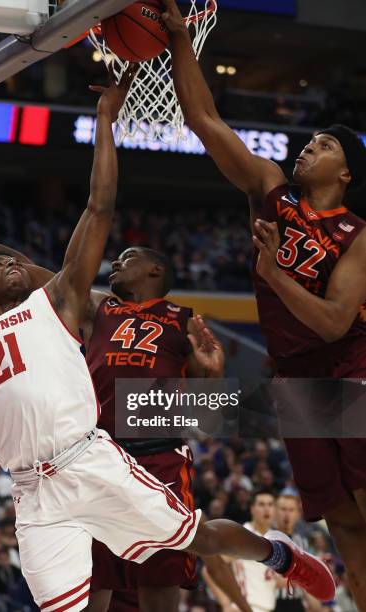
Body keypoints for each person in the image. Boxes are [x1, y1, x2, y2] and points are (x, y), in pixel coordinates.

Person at [0, 74, 335, 612]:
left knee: (229, 439)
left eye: (130, 257)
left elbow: (206, 413)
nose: (118, 261)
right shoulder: (87, 305)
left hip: (139, 437)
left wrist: (208, 377)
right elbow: (26, 265)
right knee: (100, 593)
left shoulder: (181, 319)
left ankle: (316, 467)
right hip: (89, 441)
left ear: (158, 269)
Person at [161, 0, 366, 606]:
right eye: (309, 140)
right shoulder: (271, 190)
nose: (308, 147)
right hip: (296, 380)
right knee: (346, 527)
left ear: (347, 172)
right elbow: (202, 117)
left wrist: (273, 274)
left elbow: (333, 324)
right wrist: (179, 40)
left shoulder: (357, 234)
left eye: (323, 144)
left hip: (349, 369)